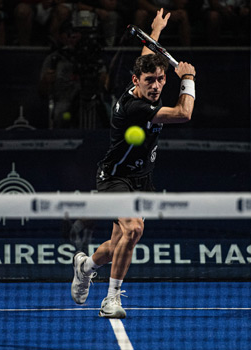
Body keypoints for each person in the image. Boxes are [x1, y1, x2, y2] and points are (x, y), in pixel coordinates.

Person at [70, 8, 196, 318]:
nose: (156, 85)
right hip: (115, 177)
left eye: (161, 79)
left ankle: (85, 266)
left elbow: (146, 54)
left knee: (122, 240)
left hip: (142, 178)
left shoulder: (144, 79)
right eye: (150, 80)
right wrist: (188, 79)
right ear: (135, 81)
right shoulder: (134, 106)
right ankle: (112, 298)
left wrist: (155, 32)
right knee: (134, 228)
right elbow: (184, 113)